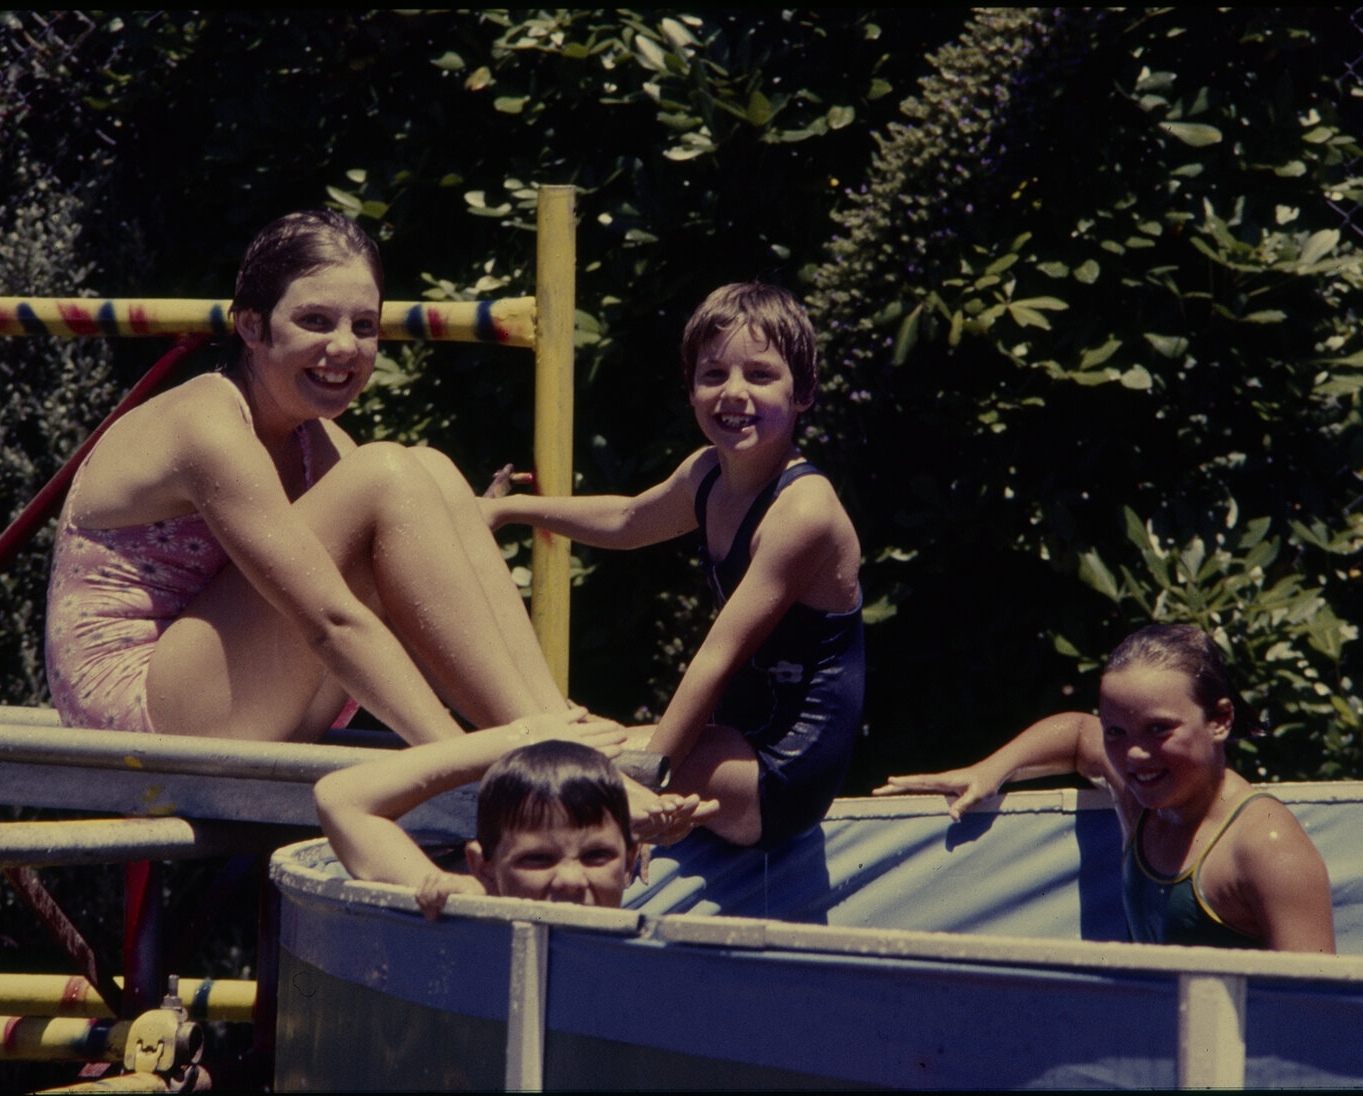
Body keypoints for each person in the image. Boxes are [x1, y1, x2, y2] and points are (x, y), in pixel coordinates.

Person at [45, 210, 570, 746]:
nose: (345, 346)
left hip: (249, 696)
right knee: (388, 472)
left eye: (363, 326)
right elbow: (332, 622)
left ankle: (551, 719)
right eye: (315, 321)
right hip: (136, 716)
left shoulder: (318, 443)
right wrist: (462, 758)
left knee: (430, 470)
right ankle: (537, 744)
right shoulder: (207, 425)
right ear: (251, 325)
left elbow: (421, 592)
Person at [481, 283, 865, 850]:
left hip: (781, 773)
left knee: (571, 782)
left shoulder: (802, 512)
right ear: (690, 390)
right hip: (736, 737)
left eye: (760, 375)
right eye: (713, 376)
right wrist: (510, 509)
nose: (734, 393)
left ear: (803, 391)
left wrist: (643, 782)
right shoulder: (706, 473)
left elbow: (716, 660)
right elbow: (628, 519)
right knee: (568, 751)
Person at [873, 623, 1335, 953]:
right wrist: (990, 771)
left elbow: (1317, 1015)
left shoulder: (1265, 847)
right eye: (1118, 732)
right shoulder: (1143, 803)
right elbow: (1077, 731)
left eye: (1159, 729)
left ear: (1220, 720)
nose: (1134, 755)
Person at [316, 721, 685, 918]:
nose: (571, 880)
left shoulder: (652, 950)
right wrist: (520, 734)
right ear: (483, 868)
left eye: (597, 856)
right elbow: (340, 798)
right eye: (537, 859)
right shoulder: (480, 907)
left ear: (631, 861)